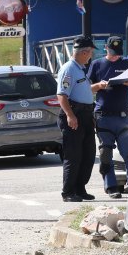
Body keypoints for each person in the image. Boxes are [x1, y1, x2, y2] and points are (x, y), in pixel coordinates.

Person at [88, 36, 128, 199]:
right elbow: (88, 89)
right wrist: (100, 85)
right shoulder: (97, 64)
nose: (115, 56)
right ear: (106, 48)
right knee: (105, 153)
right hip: (103, 116)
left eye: (118, 54)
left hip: (124, 117)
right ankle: (111, 187)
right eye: (112, 53)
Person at [56, 36, 100, 202]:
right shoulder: (69, 69)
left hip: (85, 115)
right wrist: (70, 115)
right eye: (90, 53)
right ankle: (68, 192)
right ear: (83, 52)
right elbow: (62, 95)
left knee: (88, 155)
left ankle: (80, 189)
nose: (91, 56)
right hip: (74, 115)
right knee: (73, 156)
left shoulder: (80, 68)